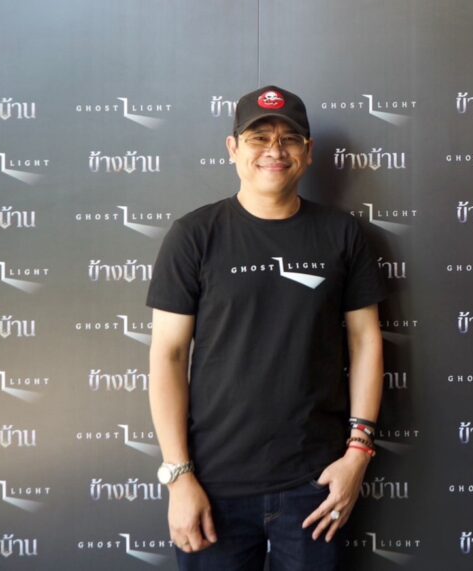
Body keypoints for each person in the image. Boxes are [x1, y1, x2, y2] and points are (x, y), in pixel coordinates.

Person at [147, 85, 385, 570]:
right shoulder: (194, 235)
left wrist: (357, 454)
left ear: (308, 152)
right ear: (233, 148)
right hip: (213, 483)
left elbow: (365, 342)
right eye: (259, 137)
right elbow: (168, 355)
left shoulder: (342, 233)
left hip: (316, 484)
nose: (275, 150)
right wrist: (179, 476)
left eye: (289, 138)